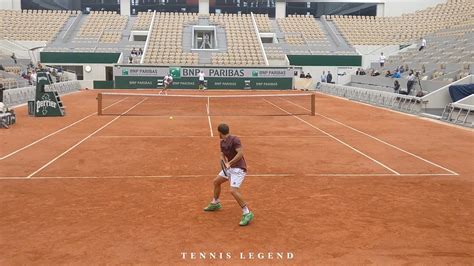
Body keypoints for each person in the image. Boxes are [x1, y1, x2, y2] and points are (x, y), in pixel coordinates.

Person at [203, 123, 254, 226]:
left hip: (238, 169)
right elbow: (222, 154)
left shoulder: (235, 140)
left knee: (233, 191)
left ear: (219, 132)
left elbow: (240, 153)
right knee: (216, 181)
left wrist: (229, 163)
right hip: (229, 168)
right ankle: (215, 203)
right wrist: (222, 160)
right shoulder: (222, 142)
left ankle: (247, 212)